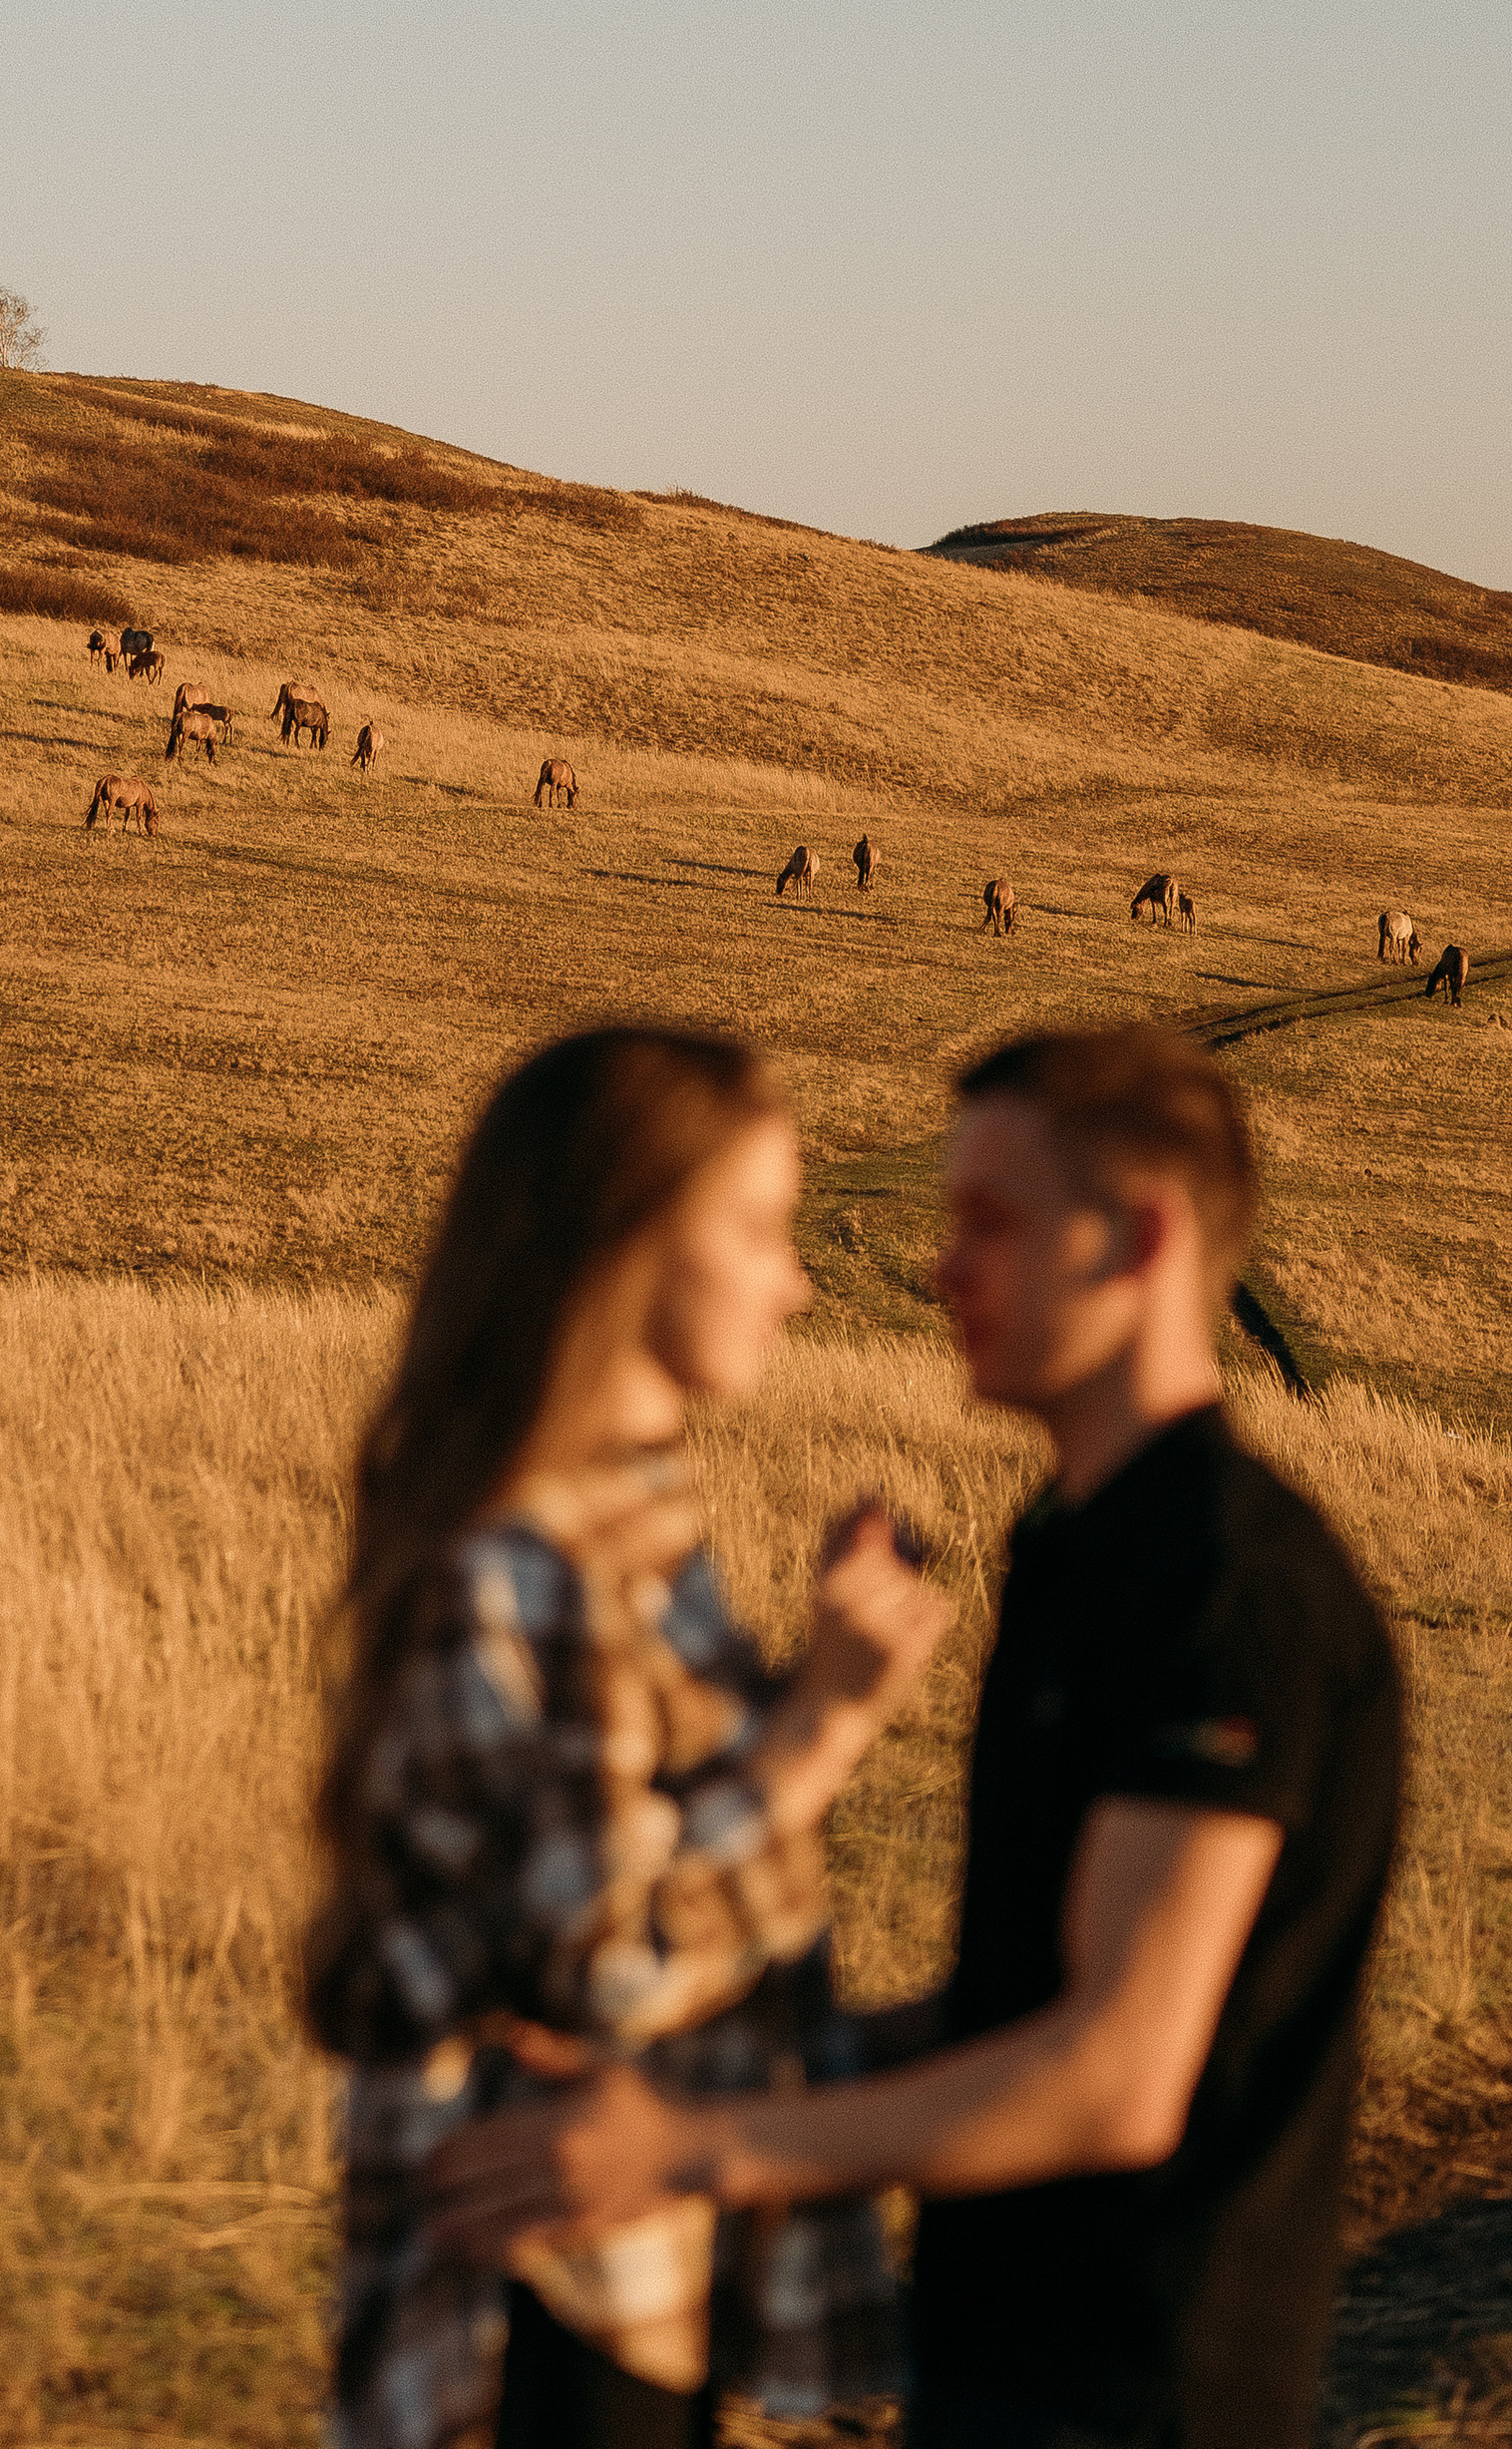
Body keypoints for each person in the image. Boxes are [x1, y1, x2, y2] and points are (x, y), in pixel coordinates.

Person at [431, 1024, 1405, 2449]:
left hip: (1144, 2392)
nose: (944, 1266)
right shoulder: (1076, 1544)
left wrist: (693, 2153)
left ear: (1138, 1239)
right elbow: (1013, 2001)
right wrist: (716, 2069)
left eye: (991, 1223)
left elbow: (1114, 2076)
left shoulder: (1227, 1585)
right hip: (999, 2366)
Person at [306, 1024, 951, 2449]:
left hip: (622, 2281)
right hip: (530, 2315)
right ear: (629, 1237)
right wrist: (824, 1724)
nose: (794, 1282)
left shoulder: (627, 1525)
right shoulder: (523, 1562)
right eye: (762, 1229)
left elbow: (608, 1848)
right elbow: (611, 1949)